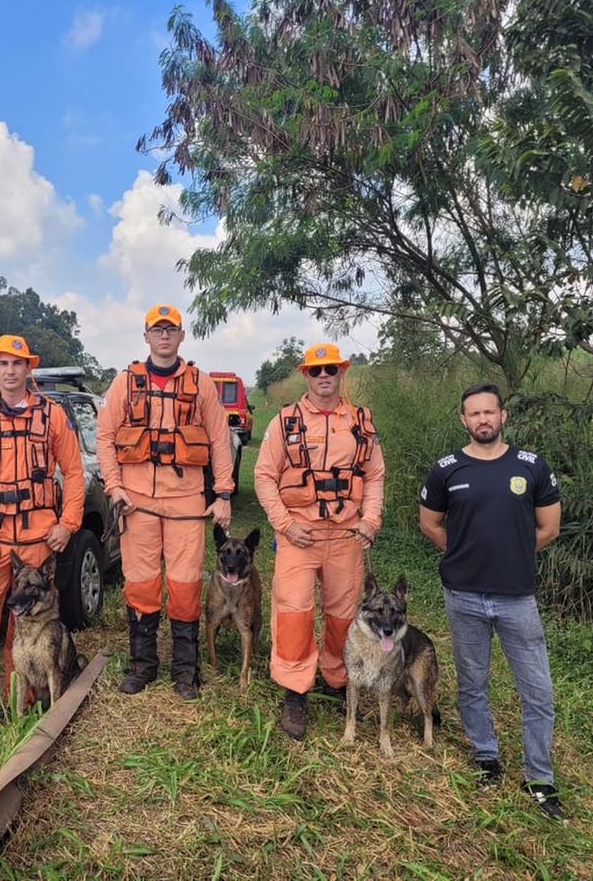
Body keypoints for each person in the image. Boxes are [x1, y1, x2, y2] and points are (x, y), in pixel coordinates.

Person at [419, 383, 564, 819]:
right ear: (463, 420)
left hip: (517, 598)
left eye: (489, 412)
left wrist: (511, 555)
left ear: (503, 416)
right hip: (462, 595)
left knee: (537, 692)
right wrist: (464, 555)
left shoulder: (532, 466)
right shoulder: (445, 469)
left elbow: (548, 529)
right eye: (473, 414)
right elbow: (430, 524)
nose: (482, 419)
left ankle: (539, 776)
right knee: (472, 683)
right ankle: (486, 757)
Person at [0, 335, 84, 739]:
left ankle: (21, 705)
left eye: (18, 364)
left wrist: (68, 522)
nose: (10, 370)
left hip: (39, 538)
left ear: (29, 369)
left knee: (28, 627)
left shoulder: (52, 416)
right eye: (3, 363)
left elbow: (73, 473)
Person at [95, 304, 234, 701]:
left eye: (170, 329)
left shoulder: (200, 384)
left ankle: (185, 671)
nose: (164, 336)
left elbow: (219, 439)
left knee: (186, 584)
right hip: (136, 502)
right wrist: (114, 486)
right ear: (146, 337)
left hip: (187, 501)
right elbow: (105, 438)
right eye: (157, 330)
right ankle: (142, 666)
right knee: (140, 583)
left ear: (181, 335)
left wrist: (222, 493)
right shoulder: (125, 382)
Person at [254, 343, 384, 740]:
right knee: (294, 613)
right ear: (305, 375)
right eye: (316, 370)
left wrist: (371, 520)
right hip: (299, 535)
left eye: (331, 369)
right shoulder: (285, 422)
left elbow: (375, 475)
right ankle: (295, 690)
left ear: (342, 372)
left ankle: (336, 676)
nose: (324, 376)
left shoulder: (361, 423)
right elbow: (263, 476)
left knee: (343, 614)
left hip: (345, 536)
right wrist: (285, 524)